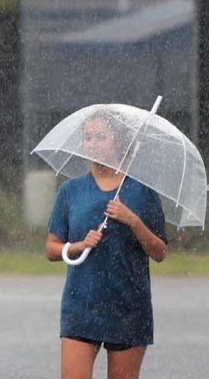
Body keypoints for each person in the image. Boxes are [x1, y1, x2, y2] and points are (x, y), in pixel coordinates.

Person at [44, 111, 168, 379]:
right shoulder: (70, 191)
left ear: (119, 142)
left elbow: (159, 252)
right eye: (88, 137)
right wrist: (78, 246)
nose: (93, 143)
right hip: (81, 306)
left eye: (101, 136)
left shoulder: (142, 191)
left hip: (129, 307)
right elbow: (51, 248)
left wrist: (132, 220)